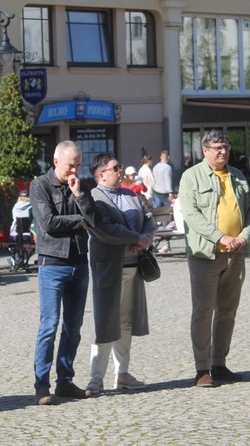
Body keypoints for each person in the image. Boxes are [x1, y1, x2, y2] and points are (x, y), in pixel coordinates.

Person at [178, 130, 250, 387]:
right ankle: (202, 369)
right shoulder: (191, 176)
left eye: (224, 147)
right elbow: (191, 214)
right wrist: (220, 237)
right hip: (206, 254)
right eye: (216, 148)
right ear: (205, 150)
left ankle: (219, 363)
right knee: (203, 311)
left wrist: (243, 237)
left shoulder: (238, 175)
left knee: (227, 312)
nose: (222, 152)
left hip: (236, 254)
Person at [30, 140, 97, 405]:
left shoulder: (82, 186)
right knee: (49, 325)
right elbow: (47, 223)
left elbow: (94, 220)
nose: (75, 170)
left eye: (78, 165)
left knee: (74, 327)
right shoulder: (40, 186)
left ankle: (65, 381)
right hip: (52, 263)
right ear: (56, 161)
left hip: (80, 262)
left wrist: (80, 197)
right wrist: (79, 221)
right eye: (71, 165)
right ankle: (41, 385)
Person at [85, 153, 156, 395]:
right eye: (115, 167)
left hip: (134, 267)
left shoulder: (130, 194)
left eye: (120, 166)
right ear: (101, 174)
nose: (120, 169)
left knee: (126, 322)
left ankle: (122, 373)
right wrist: (136, 237)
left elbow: (148, 220)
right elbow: (104, 229)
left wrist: (145, 239)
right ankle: (96, 378)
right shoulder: (94, 197)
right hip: (109, 267)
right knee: (105, 321)